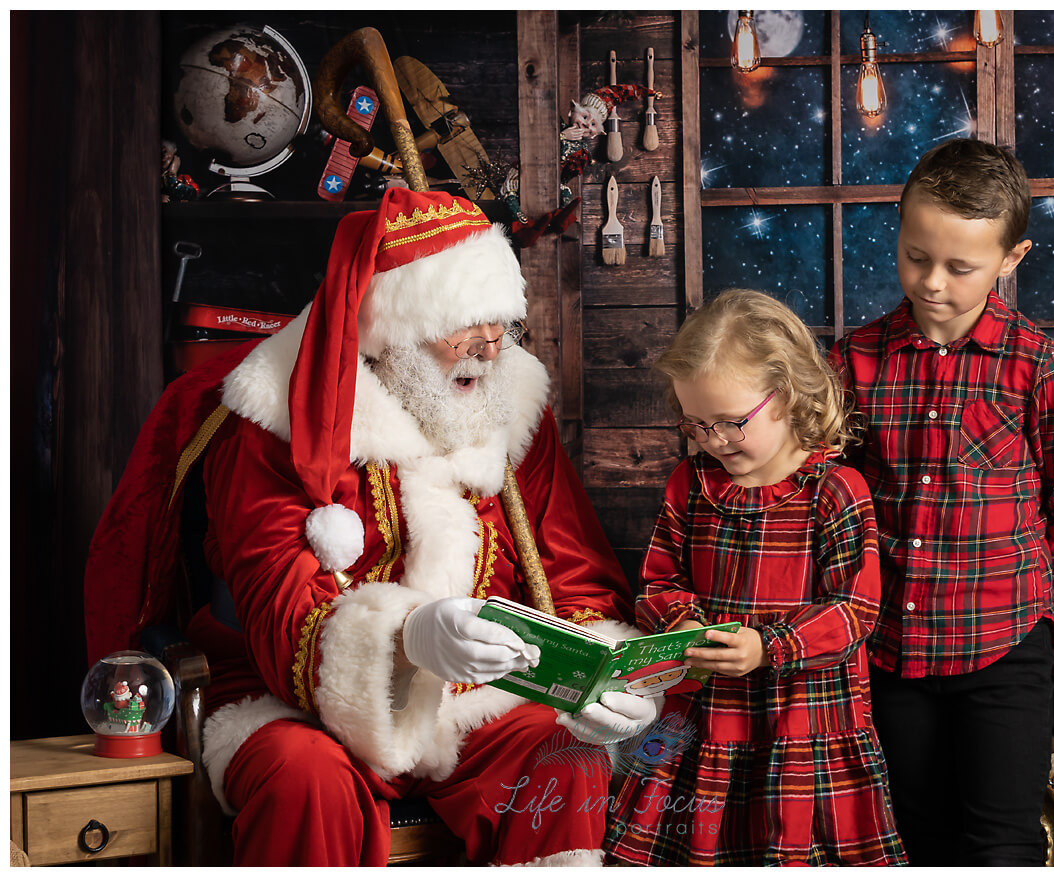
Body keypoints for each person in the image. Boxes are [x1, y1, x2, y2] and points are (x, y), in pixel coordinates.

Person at [84, 187, 661, 866]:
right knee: (304, 779)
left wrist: (595, 681)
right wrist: (408, 637)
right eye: (466, 324)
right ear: (393, 331)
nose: (490, 344)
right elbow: (275, 603)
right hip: (295, 702)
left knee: (568, 758)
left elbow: (572, 569)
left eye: (500, 320)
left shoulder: (509, 402)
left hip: (475, 704)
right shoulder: (271, 422)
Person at [829, 138, 1054, 866]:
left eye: (960, 266)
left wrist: (1025, 599)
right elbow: (831, 495)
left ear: (1011, 259)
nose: (933, 282)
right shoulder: (852, 360)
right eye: (916, 255)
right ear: (899, 227)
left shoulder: (1045, 366)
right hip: (889, 648)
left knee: (1001, 840)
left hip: (1005, 647)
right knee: (914, 830)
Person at [604, 289, 906, 866]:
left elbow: (855, 610)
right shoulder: (690, 484)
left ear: (786, 396)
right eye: (695, 426)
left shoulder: (833, 490)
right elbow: (659, 581)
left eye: (729, 423)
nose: (714, 441)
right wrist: (681, 624)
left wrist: (769, 646)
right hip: (705, 714)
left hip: (802, 721)